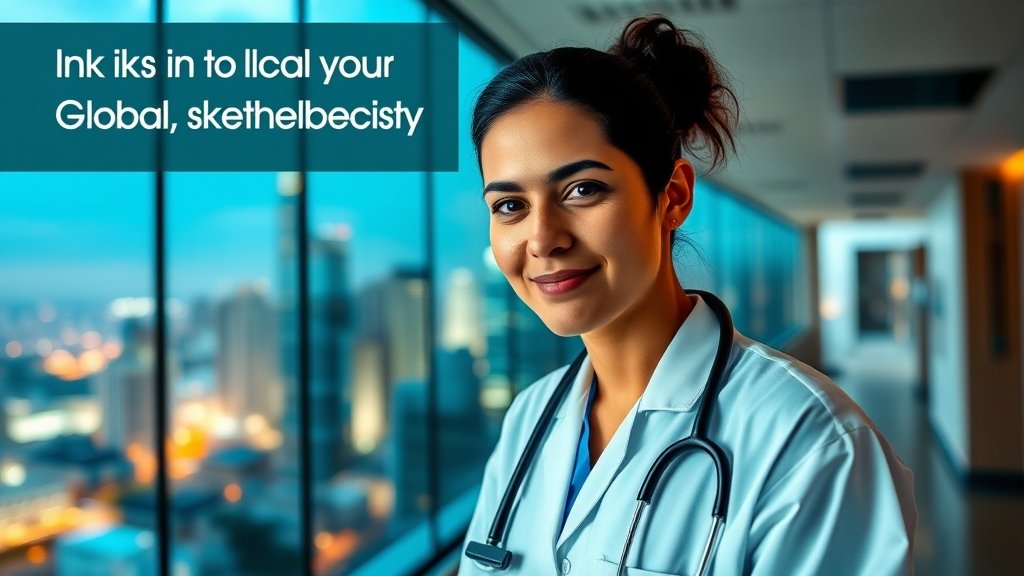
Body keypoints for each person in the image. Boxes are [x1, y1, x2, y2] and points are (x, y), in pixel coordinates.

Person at [459, 15, 916, 576]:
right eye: (510, 205)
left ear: (672, 197)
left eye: (582, 189)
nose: (542, 239)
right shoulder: (530, 418)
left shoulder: (811, 442)